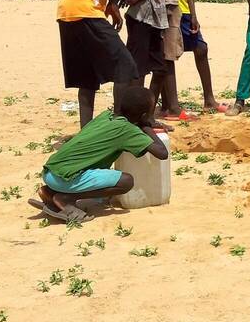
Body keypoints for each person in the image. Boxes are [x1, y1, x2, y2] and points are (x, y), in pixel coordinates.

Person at [27, 85, 169, 223]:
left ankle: (51, 193)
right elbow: (162, 153)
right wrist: (147, 127)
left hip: (50, 172)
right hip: (64, 178)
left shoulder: (106, 116)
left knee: (98, 174)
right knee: (126, 181)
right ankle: (66, 198)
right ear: (144, 115)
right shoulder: (127, 131)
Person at [119, 0, 173, 129]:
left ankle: (148, 114)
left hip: (156, 21)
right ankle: (135, 117)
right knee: (138, 70)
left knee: (160, 69)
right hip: (141, 19)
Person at [172, 0, 220, 110]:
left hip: (184, 9)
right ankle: (169, 104)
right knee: (165, 57)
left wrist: (193, 13)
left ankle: (209, 99)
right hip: (167, 9)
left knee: (201, 48)